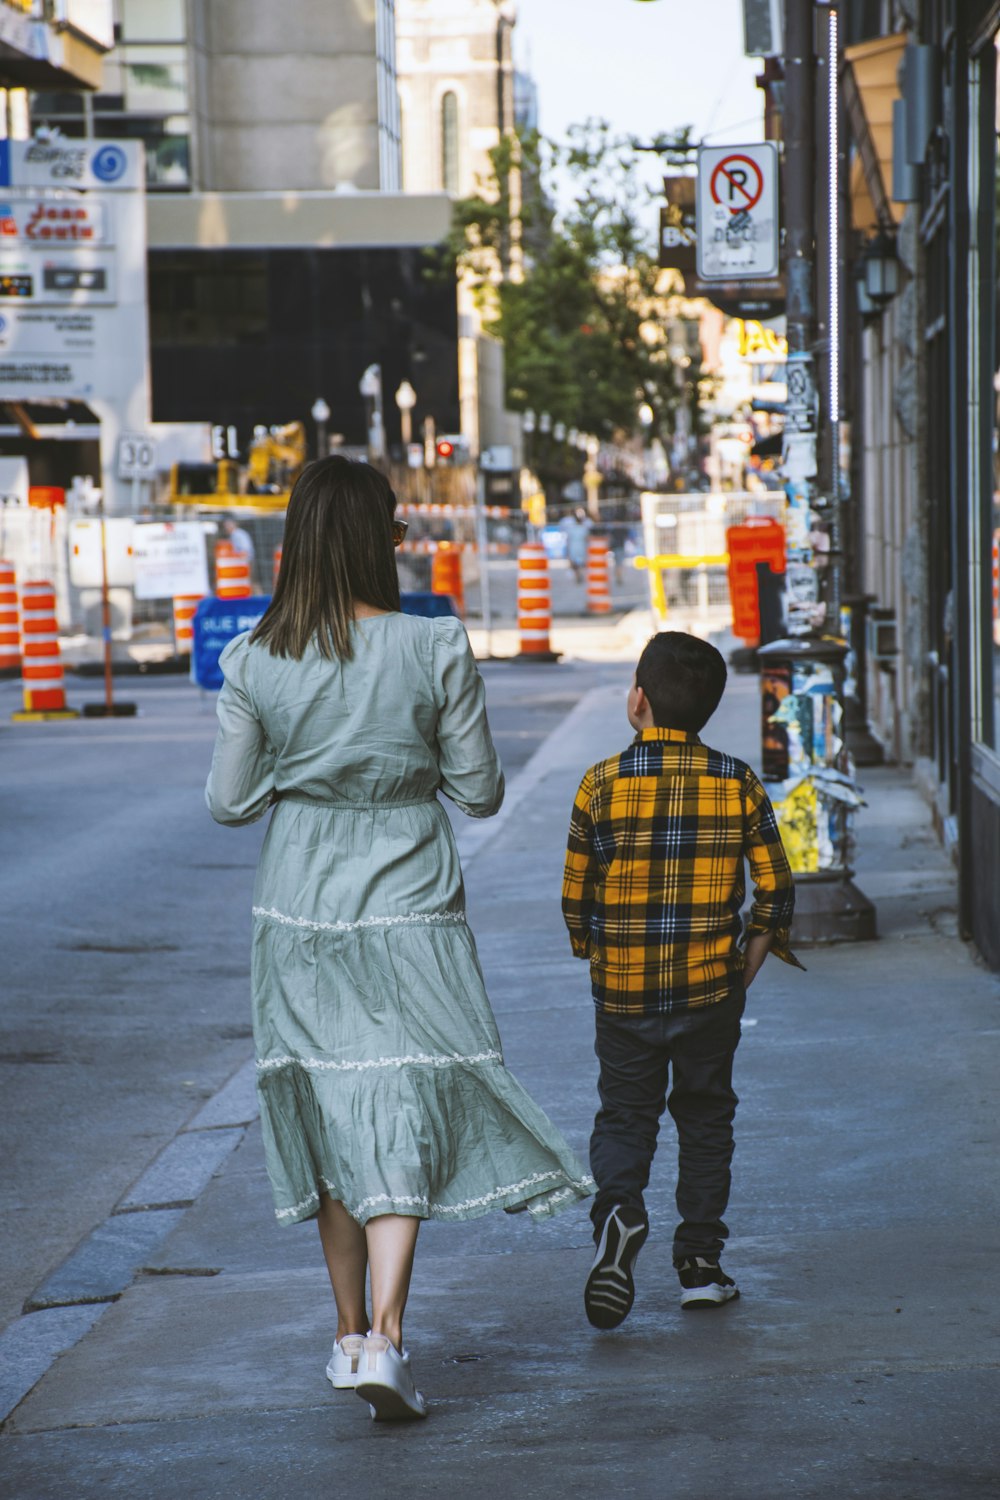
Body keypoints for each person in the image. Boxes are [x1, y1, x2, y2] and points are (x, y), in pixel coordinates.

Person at [206, 456, 591, 1423]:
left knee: (331, 1108)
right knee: (407, 1089)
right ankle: (386, 1331)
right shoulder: (433, 646)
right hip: (412, 892)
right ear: (381, 538)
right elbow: (481, 791)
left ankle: (346, 1339)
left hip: (299, 903)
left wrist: (304, 774)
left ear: (296, 541)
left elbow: (229, 802)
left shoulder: (255, 660)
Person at [561, 631, 801, 1330]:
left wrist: (595, 954)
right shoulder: (737, 781)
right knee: (705, 1119)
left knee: (625, 1116)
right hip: (710, 993)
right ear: (710, 710)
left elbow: (578, 898)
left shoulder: (600, 784)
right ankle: (699, 1264)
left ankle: (619, 1213)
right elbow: (776, 891)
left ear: (637, 699)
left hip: (625, 995)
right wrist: (745, 971)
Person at [562, 507, 592, 583]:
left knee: (575, 563)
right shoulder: (583, 528)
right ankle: (579, 574)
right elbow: (587, 538)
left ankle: (578, 575)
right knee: (580, 563)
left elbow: (568, 539)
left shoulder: (572, 528)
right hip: (580, 546)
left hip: (574, 547)